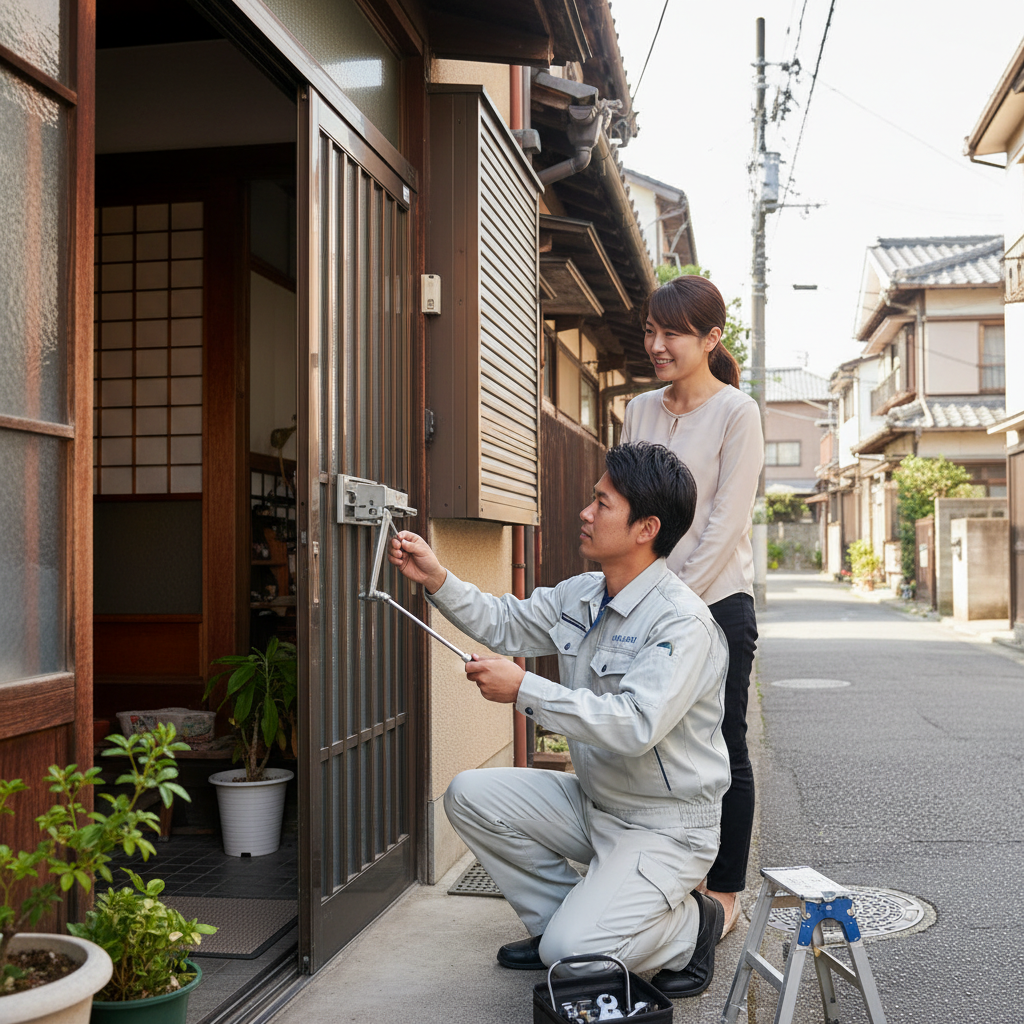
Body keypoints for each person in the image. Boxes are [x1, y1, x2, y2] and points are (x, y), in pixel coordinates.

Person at [388, 442, 732, 998]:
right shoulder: (585, 593)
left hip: (665, 827)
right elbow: (504, 621)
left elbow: (634, 724)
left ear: (646, 528)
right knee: (470, 794)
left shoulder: (682, 624)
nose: (585, 513)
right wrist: (436, 578)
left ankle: (691, 929)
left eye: (602, 503)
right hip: (598, 803)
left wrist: (524, 688)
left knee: (570, 957)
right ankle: (561, 928)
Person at [620, 273, 763, 953]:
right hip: (644, 606)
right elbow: (625, 511)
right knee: (649, 747)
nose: (656, 343)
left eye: (671, 332)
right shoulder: (638, 410)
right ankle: (657, 878)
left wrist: (662, 602)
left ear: (711, 339)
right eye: (650, 330)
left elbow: (726, 527)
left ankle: (724, 890)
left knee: (721, 745)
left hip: (717, 605)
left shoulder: (738, 412)